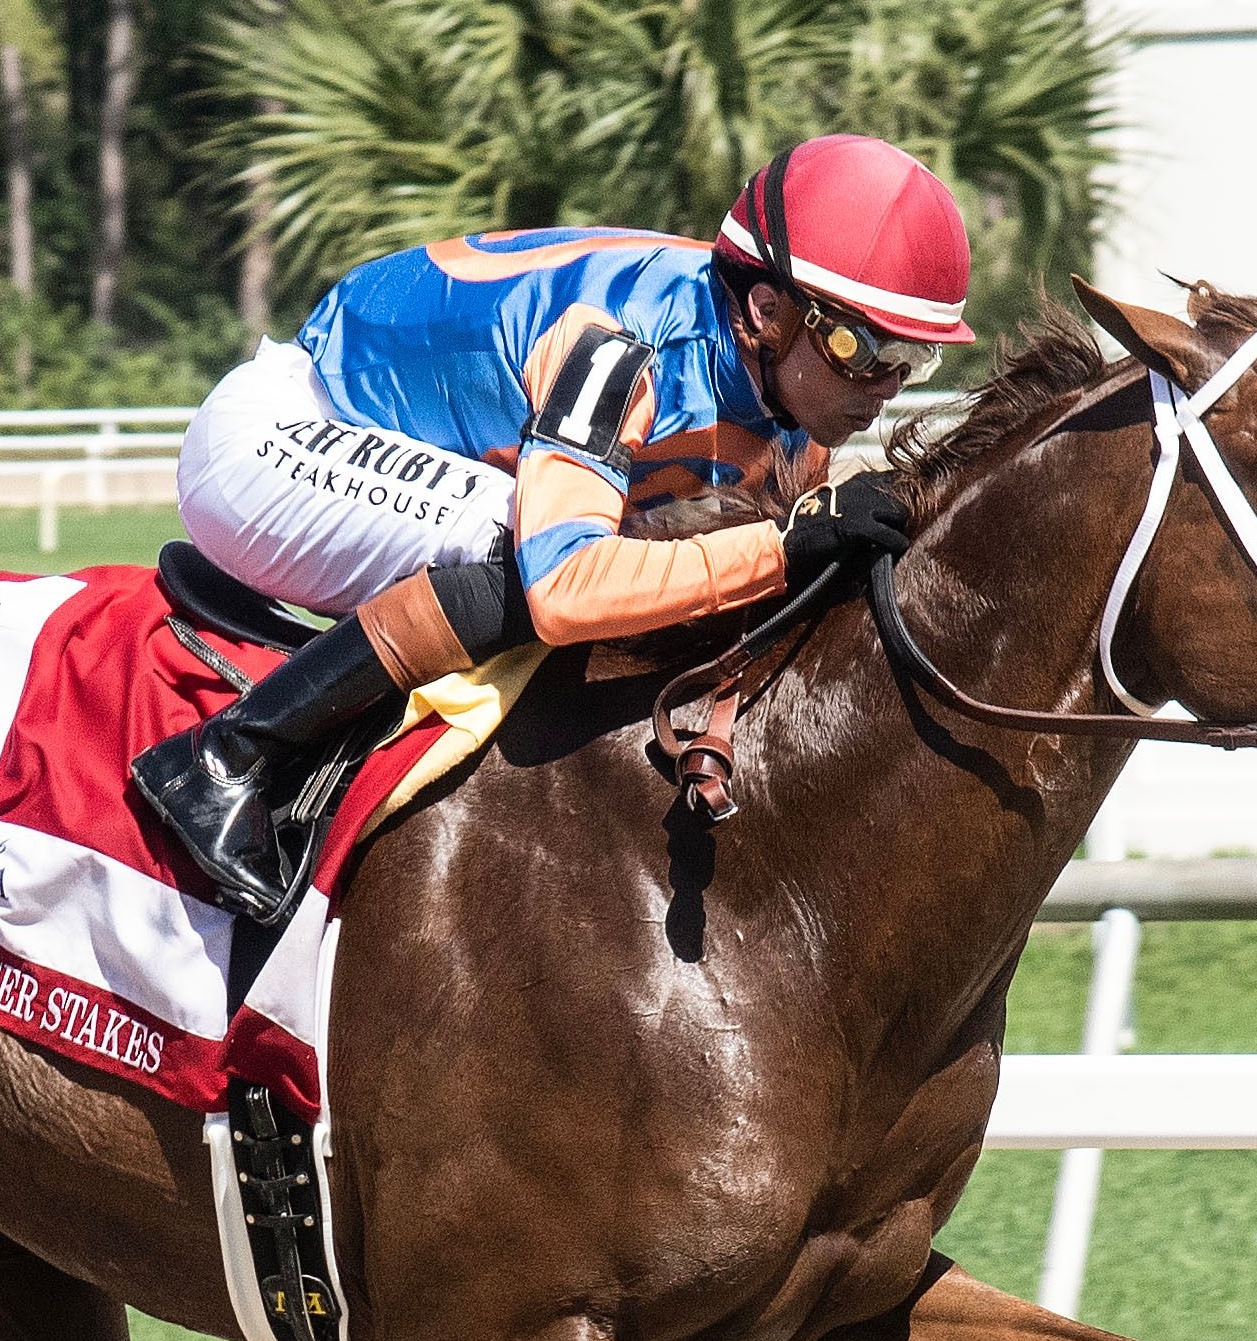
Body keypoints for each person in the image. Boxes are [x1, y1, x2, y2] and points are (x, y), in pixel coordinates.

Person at [131, 133, 973, 920]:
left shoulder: (778, 379)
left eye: (915, 358)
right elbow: (565, 589)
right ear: (766, 311)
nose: (889, 386)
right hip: (276, 440)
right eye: (867, 350)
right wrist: (783, 545)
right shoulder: (622, 350)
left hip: (378, 439)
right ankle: (227, 759)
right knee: (528, 555)